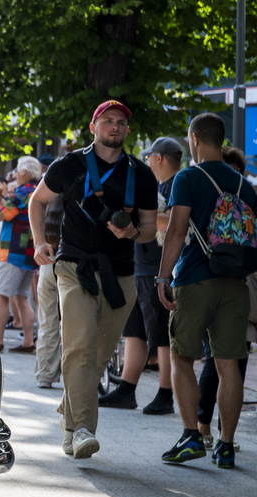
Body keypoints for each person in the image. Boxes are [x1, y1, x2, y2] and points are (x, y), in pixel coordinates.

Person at [27, 100, 158, 459]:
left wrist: (133, 233)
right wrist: (39, 241)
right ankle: (82, 429)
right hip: (74, 267)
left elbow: (150, 228)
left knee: (99, 354)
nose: (115, 127)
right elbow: (37, 201)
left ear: (127, 130)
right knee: (80, 347)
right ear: (93, 127)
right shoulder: (69, 164)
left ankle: (69, 412)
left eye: (121, 122)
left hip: (122, 273)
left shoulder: (142, 174)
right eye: (108, 121)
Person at [156, 113, 257, 469]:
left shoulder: (188, 177)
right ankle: (226, 446)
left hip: (195, 279)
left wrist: (163, 277)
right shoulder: (245, 184)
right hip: (235, 283)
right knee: (229, 364)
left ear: (195, 139)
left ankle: (191, 436)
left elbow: (176, 230)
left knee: (182, 357)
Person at [99, 137, 180, 412]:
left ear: (159, 158)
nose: (146, 162)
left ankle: (166, 393)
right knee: (134, 331)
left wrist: (140, 217)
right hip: (141, 266)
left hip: (158, 269)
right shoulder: (157, 185)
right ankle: (127, 388)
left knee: (162, 335)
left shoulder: (177, 185)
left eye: (149, 157)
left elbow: (173, 222)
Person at [195, 145, 253, 449]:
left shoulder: (247, 194)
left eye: (235, 171)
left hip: (235, 285)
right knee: (217, 361)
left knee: (233, 360)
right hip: (220, 283)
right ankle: (207, 427)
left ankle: (221, 433)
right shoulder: (215, 194)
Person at [0, 157, 42, 353]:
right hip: (30, 251)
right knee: (21, 296)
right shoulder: (38, 189)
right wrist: (4, 197)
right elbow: (13, 212)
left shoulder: (22, 192)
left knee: (1, 295)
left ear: (25, 173)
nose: (16, 175)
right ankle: (28, 341)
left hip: (13, 250)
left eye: (18, 171)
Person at [34, 193, 65, 389]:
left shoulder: (48, 203)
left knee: (47, 321)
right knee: (72, 324)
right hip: (70, 264)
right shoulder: (77, 201)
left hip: (48, 262)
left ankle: (45, 375)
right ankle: (72, 375)